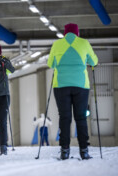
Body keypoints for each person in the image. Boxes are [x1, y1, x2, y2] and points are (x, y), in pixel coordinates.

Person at [47, 23, 98, 160]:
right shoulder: (84, 43)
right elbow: (94, 61)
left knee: (65, 118)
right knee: (81, 117)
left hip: (61, 85)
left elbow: (50, 64)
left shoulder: (57, 44)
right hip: (81, 85)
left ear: (65, 33)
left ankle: (64, 151)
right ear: (77, 33)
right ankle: (84, 151)